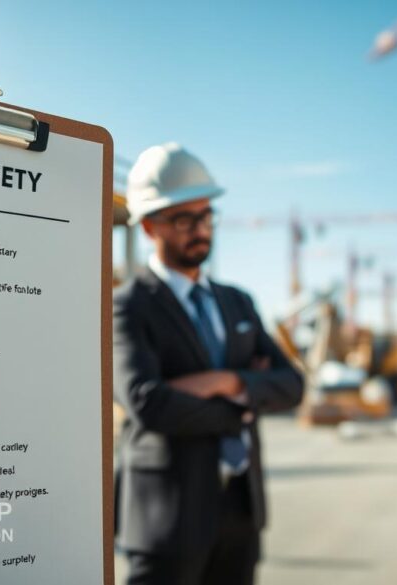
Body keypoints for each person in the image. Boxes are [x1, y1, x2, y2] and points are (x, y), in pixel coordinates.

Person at [113, 142, 304, 585]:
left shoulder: (238, 302)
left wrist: (221, 380)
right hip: (167, 517)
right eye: (183, 219)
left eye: (206, 216)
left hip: (240, 510)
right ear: (148, 228)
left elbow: (292, 385)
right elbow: (149, 403)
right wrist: (246, 396)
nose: (200, 229)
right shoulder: (127, 306)